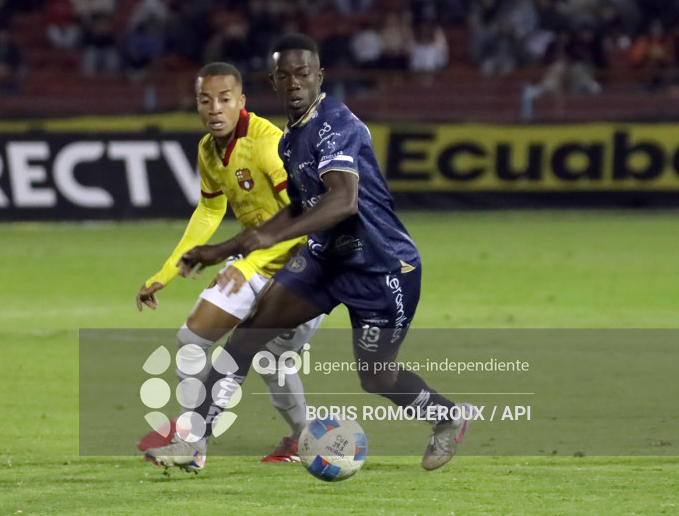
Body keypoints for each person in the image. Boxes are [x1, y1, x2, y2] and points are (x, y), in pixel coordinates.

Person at [144, 34, 472, 472]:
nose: (295, 83)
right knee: (247, 336)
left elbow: (342, 201)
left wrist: (264, 241)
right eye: (286, 76)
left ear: (319, 76)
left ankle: (447, 417)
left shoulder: (337, 124)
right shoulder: (289, 139)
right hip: (323, 261)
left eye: (304, 74)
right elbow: (299, 207)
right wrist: (230, 247)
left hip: (381, 267)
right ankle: (194, 443)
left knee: (376, 376)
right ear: (274, 82)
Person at [136, 62, 323, 468]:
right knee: (192, 342)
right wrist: (166, 272)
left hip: (303, 269)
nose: (215, 108)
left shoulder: (268, 144)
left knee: (271, 361)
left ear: (241, 102)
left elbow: (303, 212)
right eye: (206, 100)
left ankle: (300, 437)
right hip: (252, 262)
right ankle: (193, 444)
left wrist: (248, 261)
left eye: (224, 99)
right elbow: (208, 211)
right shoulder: (208, 149)